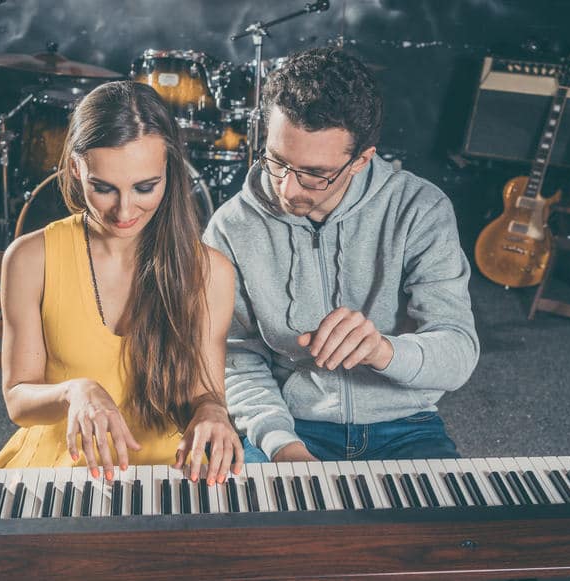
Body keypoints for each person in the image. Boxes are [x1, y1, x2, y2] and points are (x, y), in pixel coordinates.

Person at [203, 48, 479, 463]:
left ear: (361, 160)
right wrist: (282, 444)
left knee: (446, 529)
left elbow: (458, 352)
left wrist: (383, 351)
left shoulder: (420, 208)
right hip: (290, 424)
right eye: (277, 162)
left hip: (405, 426)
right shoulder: (231, 226)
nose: (288, 190)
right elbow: (237, 356)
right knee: (256, 525)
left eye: (315, 174)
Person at [0, 81, 242, 485]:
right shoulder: (29, 258)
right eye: (103, 188)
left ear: (169, 171)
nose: (125, 210)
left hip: (168, 475)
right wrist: (74, 391)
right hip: (58, 471)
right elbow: (19, 398)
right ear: (76, 168)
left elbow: (206, 393)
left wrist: (213, 412)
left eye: (145, 187)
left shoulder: (210, 272)